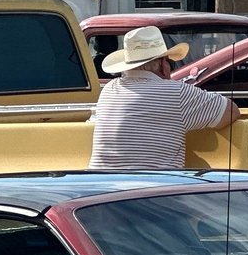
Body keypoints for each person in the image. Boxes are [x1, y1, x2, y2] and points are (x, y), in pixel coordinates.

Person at [89, 25, 238, 171]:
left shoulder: (109, 89)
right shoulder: (177, 93)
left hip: (103, 188)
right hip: (152, 189)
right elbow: (231, 111)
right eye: (169, 61)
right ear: (162, 64)